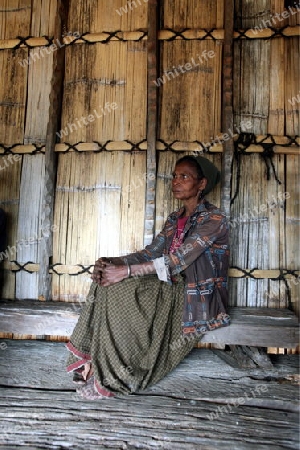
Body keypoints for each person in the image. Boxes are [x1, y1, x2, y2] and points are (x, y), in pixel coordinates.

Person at [66, 155, 230, 400]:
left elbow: (179, 260)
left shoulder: (214, 220)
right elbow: (151, 253)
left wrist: (127, 271)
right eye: (175, 176)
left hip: (193, 295)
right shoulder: (175, 219)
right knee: (104, 280)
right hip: (168, 285)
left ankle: (112, 378)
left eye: (184, 176)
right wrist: (113, 262)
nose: (176, 181)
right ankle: (89, 360)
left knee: (119, 287)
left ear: (202, 184)